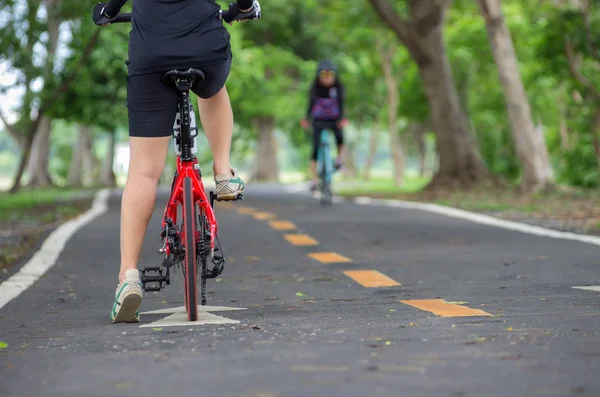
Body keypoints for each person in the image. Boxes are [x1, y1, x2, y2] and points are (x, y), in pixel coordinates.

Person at [92, 0, 260, 323]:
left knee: (142, 172)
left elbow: (113, 5)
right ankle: (223, 171)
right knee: (213, 88)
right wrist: (244, 7)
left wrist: (108, 11)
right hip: (204, 48)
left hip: (151, 51)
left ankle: (128, 277)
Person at [301, 60, 348, 191]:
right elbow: (310, 104)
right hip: (318, 120)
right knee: (315, 149)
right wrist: (306, 119)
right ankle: (314, 180)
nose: (327, 78)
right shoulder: (315, 88)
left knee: (340, 137)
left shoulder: (338, 88)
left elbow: (342, 103)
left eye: (330, 75)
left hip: (334, 119)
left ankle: (339, 159)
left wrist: (342, 118)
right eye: (324, 75)